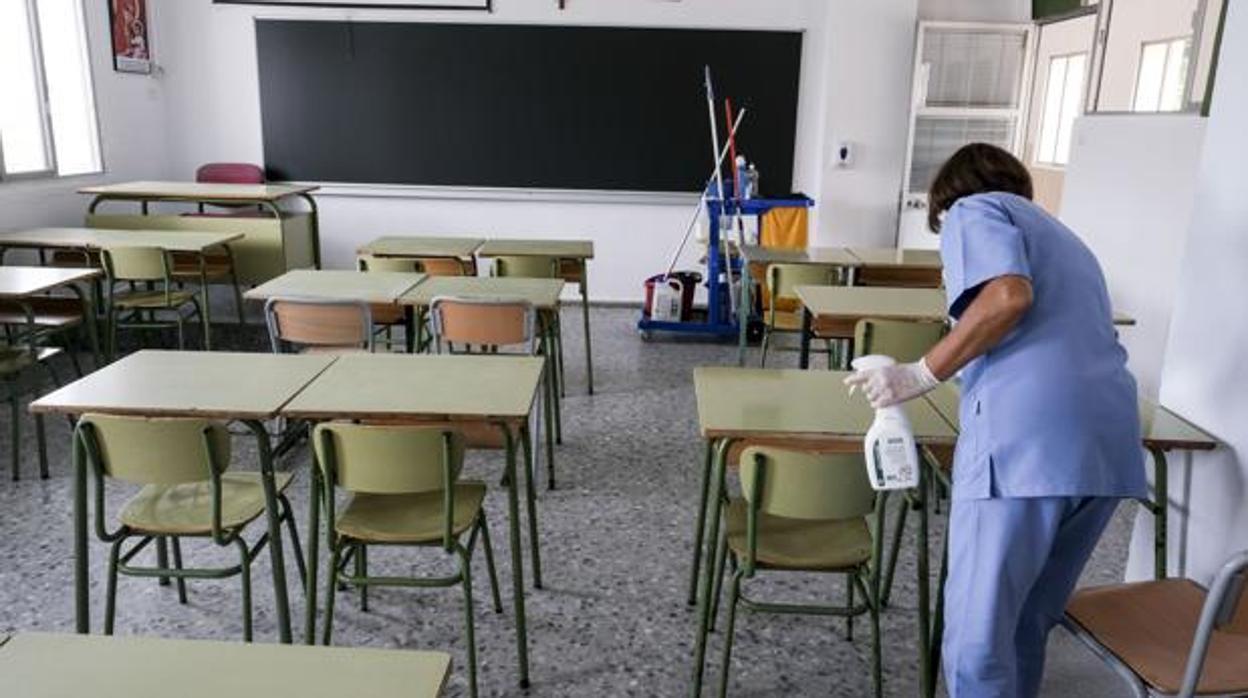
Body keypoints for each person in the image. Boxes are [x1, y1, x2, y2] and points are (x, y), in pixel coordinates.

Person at [845, 143, 1146, 697]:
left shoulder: (975, 210)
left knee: (978, 638)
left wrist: (920, 373)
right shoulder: (1066, 240)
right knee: (1027, 622)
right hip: (1106, 449)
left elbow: (1008, 297)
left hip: (1027, 448)